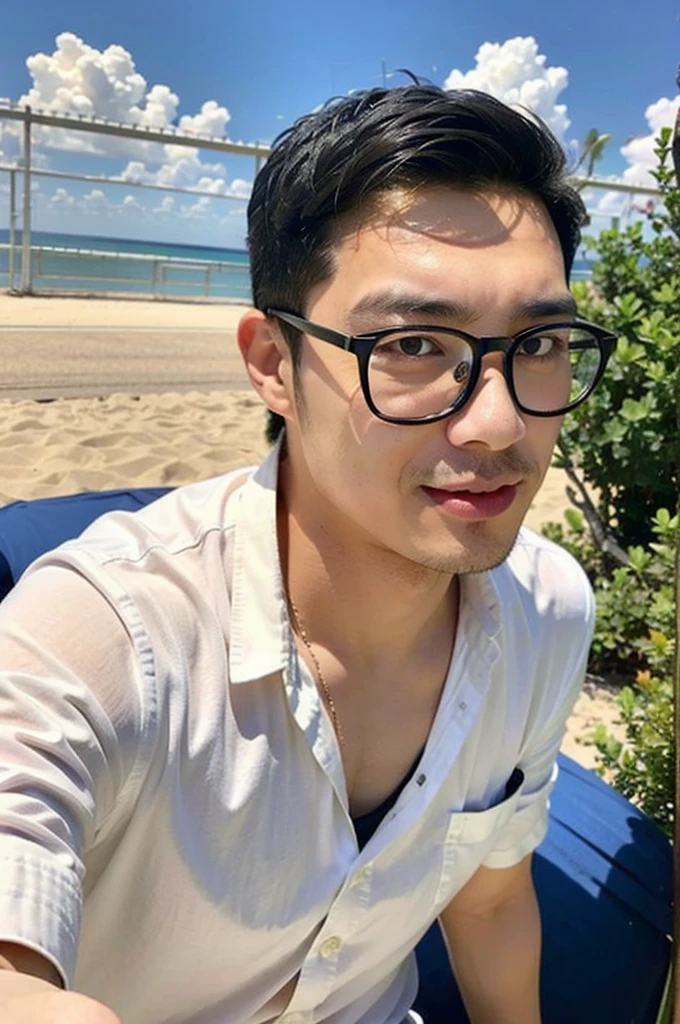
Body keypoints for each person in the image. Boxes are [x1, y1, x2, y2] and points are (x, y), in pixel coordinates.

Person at [0, 83, 616, 1024]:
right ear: (273, 365)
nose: (497, 424)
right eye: (413, 344)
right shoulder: (106, 631)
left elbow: (490, 900)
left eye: (539, 344)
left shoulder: (547, 609)